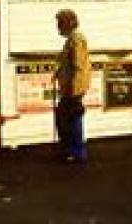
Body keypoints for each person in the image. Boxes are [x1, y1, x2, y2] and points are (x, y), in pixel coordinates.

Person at [52, 9, 91, 163]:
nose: (57, 27)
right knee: (70, 118)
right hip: (71, 87)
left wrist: (74, 89)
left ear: (66, 23)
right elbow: (68, 62)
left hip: (73, 88)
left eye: (59, 23)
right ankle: (74, 151)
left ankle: (75, 152)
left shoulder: (76, 40)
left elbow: (79, 66)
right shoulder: (72, 39)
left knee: (69, 118)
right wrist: (58, 73)